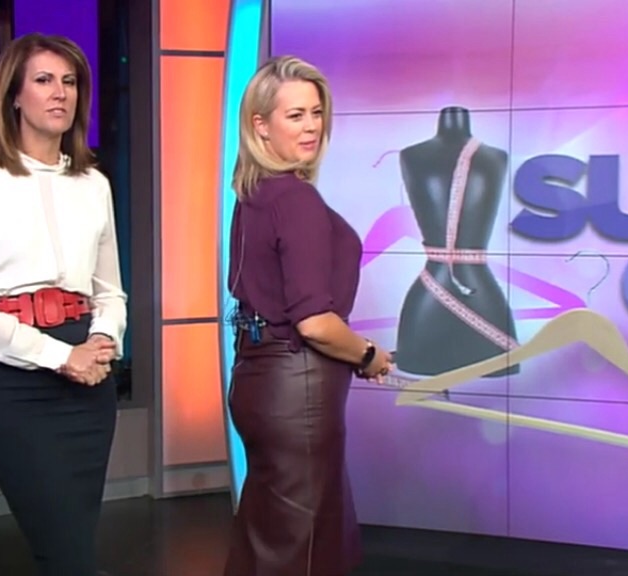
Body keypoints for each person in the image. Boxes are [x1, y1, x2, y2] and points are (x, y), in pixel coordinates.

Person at [0, 33, 126, 576]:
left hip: (89, 376)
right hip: (12, 379)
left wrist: (102, 339)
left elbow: (109, 291)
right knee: (63, 546)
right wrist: (59, 357)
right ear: (14, 96)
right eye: (44, 80)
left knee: (74, 542)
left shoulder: (93, 184)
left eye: (69, 82)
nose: (60, 93)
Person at [223, 56, 392, 576]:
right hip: (297, 391)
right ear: (260, 125)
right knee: (304, 549)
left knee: (271, 540)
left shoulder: (253, 194)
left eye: (316, 113)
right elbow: (314, 321)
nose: (311, 127)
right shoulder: (294, 199)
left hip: (260, 382)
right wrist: (368, 354)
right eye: (295, 115)